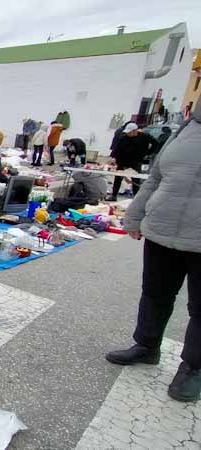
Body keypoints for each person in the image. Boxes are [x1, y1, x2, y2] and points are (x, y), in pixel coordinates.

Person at [106, 107, 201, 402]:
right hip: (161, 231)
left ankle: (193, 367)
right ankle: (146, 346)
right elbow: (156, 178)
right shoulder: (186, 129)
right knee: (155, 294)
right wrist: (134, 216)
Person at [107, 123, 159, 201]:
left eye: (129, 132)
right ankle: (114, 196)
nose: (128, 133)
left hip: (136, 161)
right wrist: (113, 157)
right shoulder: (124, 137)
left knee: (135, 180)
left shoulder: (145, 136)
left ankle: (136, 199)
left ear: (135, 131)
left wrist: (148, 153)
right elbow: (117, 148)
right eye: (127, 132)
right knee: (118, 178)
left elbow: (156, 144)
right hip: (122, 160)